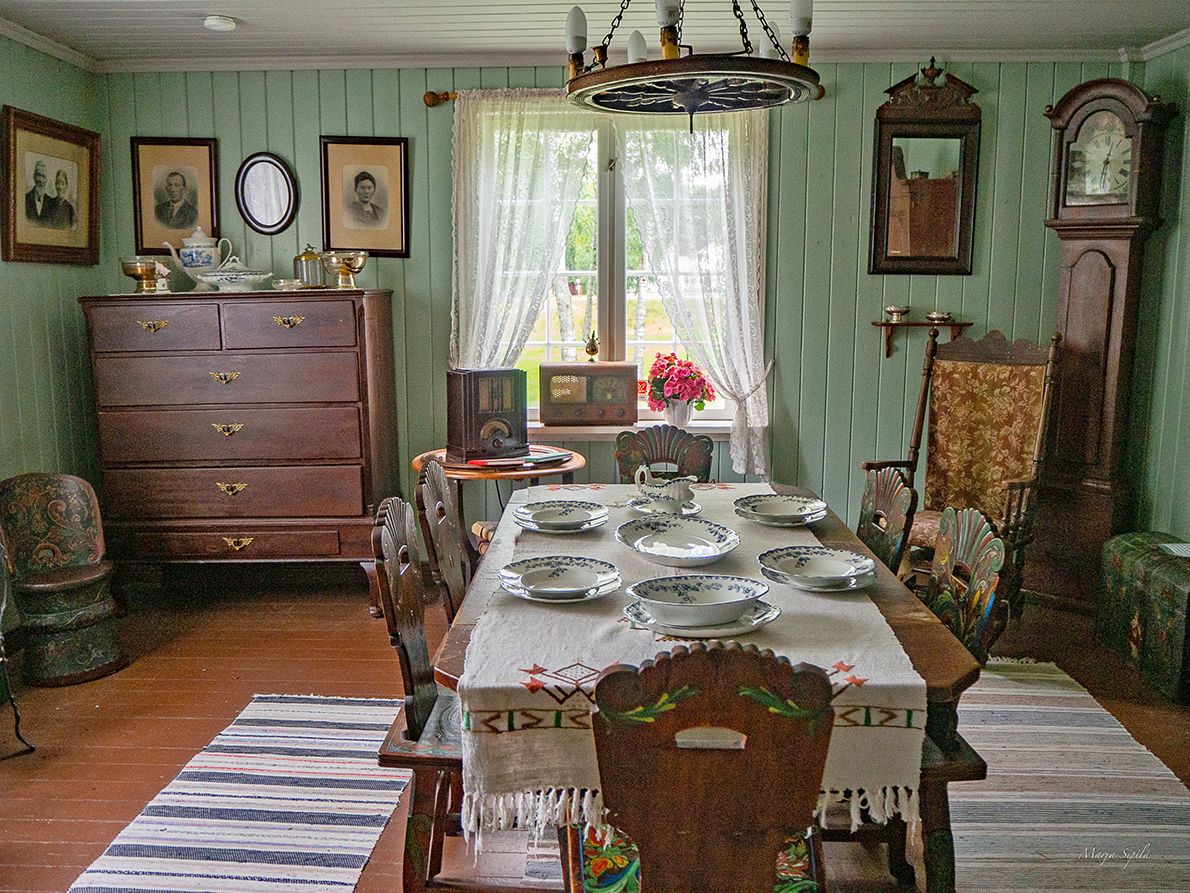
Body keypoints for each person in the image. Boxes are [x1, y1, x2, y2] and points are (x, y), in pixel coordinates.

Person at [24, 159, 52, 226]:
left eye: (43, 176)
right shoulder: (25, 199)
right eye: (38, 175)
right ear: (34, 177)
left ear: (46, 180)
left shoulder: (51, 202)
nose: (40, 180)